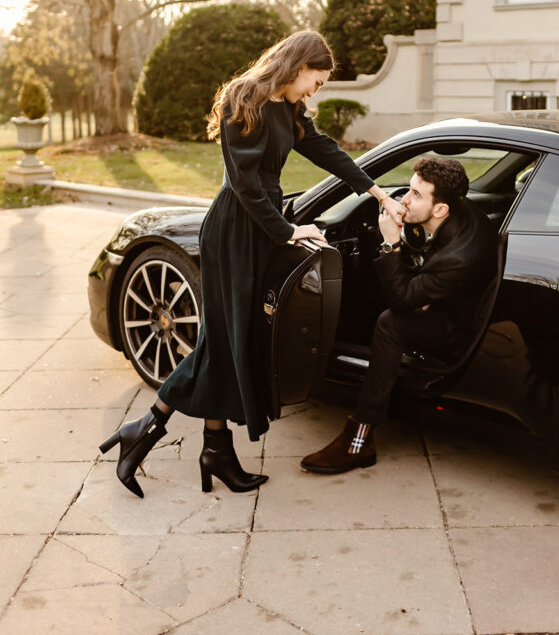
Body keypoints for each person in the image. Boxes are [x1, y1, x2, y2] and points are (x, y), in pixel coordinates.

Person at [99, 31, 405, 497]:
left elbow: (325, 150)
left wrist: (378, 191)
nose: (315, 92)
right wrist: (288, 231)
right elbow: (244, 185)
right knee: (223, 342)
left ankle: (206, 447)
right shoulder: (244, 98)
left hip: (259, 231)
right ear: (298, 65)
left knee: (227, 342)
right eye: (316, 82)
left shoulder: (291, 109)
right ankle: (153, 432)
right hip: (232, 232)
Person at [300, 156, 498, 474]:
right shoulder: (461, 210)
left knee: (389, 324)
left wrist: (391, 243)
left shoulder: (457, 256)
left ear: (440, 209)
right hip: (452, 300)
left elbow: (402, 300)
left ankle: (360, 438)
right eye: (409, 189)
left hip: (458, 332)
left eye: (416, 195)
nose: (404, 199)